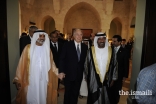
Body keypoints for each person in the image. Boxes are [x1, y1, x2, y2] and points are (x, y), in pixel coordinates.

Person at [13, 30, 60, 104]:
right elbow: (21, 64)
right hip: (32, 78)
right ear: (35, 37)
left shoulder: (48, 50)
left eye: (43, 36)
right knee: (31, 95)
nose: (42, 38)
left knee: (43, 95)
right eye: (40, 36)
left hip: (44, 78)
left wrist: (58, 73)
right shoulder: (28, 48)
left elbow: (52, 64)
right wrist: (18, 79)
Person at [59, 28, 88, 104]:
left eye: (81, 34)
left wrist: (86, 73)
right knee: (68, 93)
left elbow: (85, 62)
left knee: (75, 93)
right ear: (74, 36)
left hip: (79, 75)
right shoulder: (67, 45)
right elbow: (62, 59)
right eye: (77, 34)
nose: (79, 36)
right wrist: (61, 71)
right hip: (68, 74)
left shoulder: (85, 47)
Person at [84, 32, 114, 104]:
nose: (101, 40)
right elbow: (86, 64)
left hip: (107, 77)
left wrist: (114, 78)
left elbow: (115, 65)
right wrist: (87, 76)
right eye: (99, 39)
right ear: (96, 40)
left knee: (106, 95)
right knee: (94, 94)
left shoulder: (111, 50)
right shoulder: (90, 50)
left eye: (103, 38)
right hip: (93, 77)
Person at [108, 35, 129, 104]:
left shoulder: (124, 51)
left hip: (119, 74)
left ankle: (115, 101)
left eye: (115, 41)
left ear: (120, 42)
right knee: (110, 89)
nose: (113, 42)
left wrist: (125, 76)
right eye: (112, 41)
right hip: (110, 74)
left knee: (117, 89)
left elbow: (126, 64)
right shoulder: (110, 49)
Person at [49, 30, 63, 96]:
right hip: (51, 66)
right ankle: (51, 92)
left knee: (57, 81)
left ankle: (56, 91)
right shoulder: (47, 45)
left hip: (60, 65)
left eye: (56, 37)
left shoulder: (61, 44)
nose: (55, 38)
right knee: (51, 80)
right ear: (50, 37)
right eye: (53, 37)